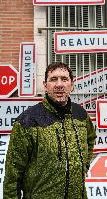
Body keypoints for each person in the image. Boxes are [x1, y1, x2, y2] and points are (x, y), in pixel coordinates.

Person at [3, 62, 96, 199]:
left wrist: (82, 166)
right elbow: (13, 173)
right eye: (53, 79)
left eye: (64, 79)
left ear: (71, 84)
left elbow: (90, 139)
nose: (59, 84)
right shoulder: (28, 120)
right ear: (45, 85)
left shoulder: (80, 114)